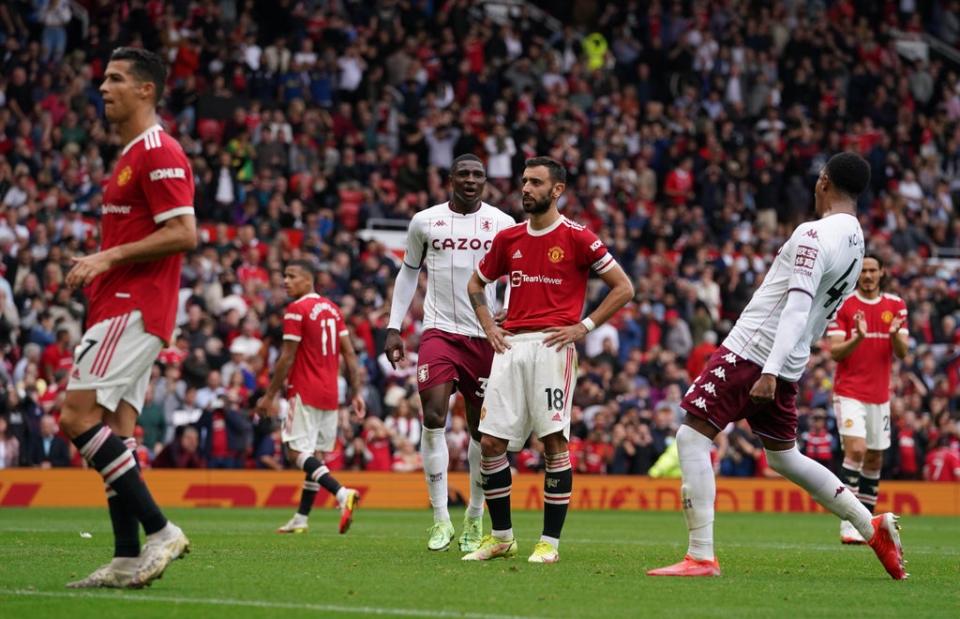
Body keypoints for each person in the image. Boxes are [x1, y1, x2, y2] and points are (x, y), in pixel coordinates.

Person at [647, 152, 907, 580]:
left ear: (823, 182)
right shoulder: (858, 243)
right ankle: (869, 524)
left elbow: (797, 305)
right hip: (790, 359)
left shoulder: (812, 233)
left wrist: (769, 369)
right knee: (784, 457)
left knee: (690, 436)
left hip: (754, 352)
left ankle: (701, 555)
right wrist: (784, 365)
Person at [59, 48, 195, 589]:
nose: (103, 88)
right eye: (103, 78)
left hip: (132, 305)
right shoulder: (130, 154)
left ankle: (160, 530)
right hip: (122, 303)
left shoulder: (159, 150)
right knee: (117, 430)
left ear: (146, 90)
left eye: (116, 79)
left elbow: (184, 231)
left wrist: (106, 258)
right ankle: (122, 557)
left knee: (75, 417)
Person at [464, 156, 634, 563]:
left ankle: (550, 544)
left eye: (536, 183)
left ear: (557, 190)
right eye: (524, 181)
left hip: (553, 347)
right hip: (510, 346)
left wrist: (584, 327)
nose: (526, 189)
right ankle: (502, 538)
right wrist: (489, 325)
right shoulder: (509, 239)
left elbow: (623, 287)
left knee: (552, 441)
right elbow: (476, 283)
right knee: (489, 442)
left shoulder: (578, 237)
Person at [384, 154, 515, 552]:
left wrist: (509, 305)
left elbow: (515, 272)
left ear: (485, 181)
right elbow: (408, 271)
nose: (471, 180)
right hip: (439, 332)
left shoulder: (502, 223)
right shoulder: (425, 221)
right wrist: (394, 326)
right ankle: (440, 519)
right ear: (450, 179)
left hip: (485, 336)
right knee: (434, 417)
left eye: (478, 175)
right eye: (464, 174)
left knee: (481, 432)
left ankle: (474, 517)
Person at [255, 260, 365, 535]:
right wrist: (357, 392)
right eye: (284, 275)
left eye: (292, 276)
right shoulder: (333, 309)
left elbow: (287, 355)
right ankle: (302, 517)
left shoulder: (296, 309)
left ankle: (341, 494)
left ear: (308, 280)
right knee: (315, 456)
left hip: (304, 389)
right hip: (331, 392)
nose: (285, 281)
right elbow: (350, 354)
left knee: (295, 452)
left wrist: (269, 395)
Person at [827, 254, 908, 543]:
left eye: (873, 270)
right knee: (857, 450)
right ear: (857, 275)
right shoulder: (845, 305)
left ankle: (867, 524)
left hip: (879, 395)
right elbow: (835, 351)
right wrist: (859, 337)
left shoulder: (895, 305)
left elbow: (903, 352)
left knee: (874, 458)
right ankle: (848, 523)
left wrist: (896, 334)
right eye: (863, 271)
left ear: (882, 272)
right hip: (849, 392)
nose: (869, 276)